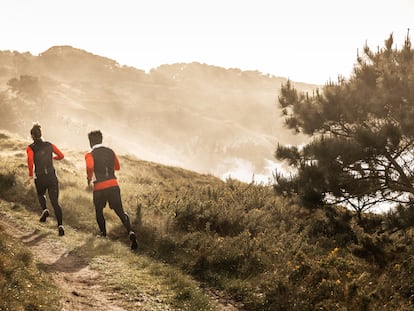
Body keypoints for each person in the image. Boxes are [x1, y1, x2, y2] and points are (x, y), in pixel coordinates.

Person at [85, 130, 138, 250]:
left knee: (99, 211)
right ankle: (130, 231)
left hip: (99, 187)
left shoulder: (89, 154)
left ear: (90, 141)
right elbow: (117, 167)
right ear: (101, 139)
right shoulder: (111, 151)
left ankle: (103, 235)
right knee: (120, 211)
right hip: (113, 185)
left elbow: (89, 166)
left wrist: (89, 178)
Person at [26, 123, 65, 236]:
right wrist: (54, 157)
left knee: (40, 194)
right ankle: (60, 226)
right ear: (41, 134)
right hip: (52, 177)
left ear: (32, 135)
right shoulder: (50, 145)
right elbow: (61, 155)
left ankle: (45, 210)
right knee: (55, 202)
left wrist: (30, 175)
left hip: (40, 177)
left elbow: (30, 161)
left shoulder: (30, 148)